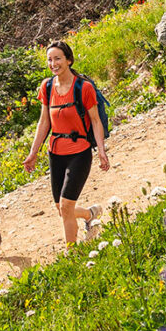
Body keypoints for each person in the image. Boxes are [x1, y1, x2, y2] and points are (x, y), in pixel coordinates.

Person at [23, 40, 111, 246]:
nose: (53, 64)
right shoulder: (46, 87)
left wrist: (101, 151)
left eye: (58, 59)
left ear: (69, 60)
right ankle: (90, 215)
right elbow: (44, 121)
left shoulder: (84, 88)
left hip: (79, 152)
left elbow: (96, 121)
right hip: (56, 152)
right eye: (49, 60)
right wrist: (33, 152)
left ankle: (73, 253)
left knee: (65, 206)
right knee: (61, 207)